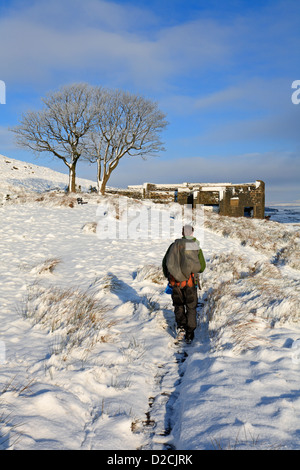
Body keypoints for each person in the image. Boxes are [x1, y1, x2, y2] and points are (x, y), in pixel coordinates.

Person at [162, 224, 206, 344]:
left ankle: (181, 328)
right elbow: (202, 267)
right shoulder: (194, 246)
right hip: (190, 282)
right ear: (192, 233)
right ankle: (190, 332)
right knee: (191, 306)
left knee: (179, 305)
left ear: (182, 233)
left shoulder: (174, 245)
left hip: (175, 282)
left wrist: (169, 276)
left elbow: (165, 262)